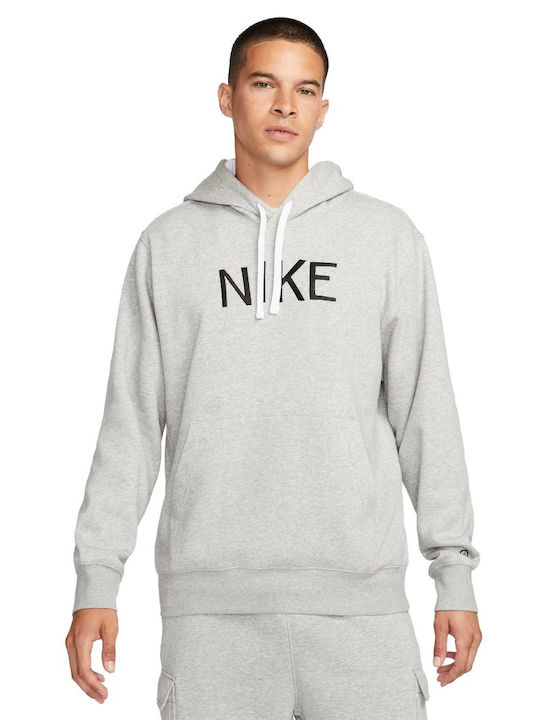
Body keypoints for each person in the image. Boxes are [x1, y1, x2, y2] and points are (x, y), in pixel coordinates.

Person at [65, 16, 482, 719]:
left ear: (323, 108)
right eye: (264, 84)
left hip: (363, 614)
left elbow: (426, 414)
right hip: (210, 619)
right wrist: (96, 582)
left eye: (305, 90)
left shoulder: (386, 238)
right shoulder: (168, 246)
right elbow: (130, 425)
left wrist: (455, 575)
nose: (286, 105)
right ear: (227, 98)